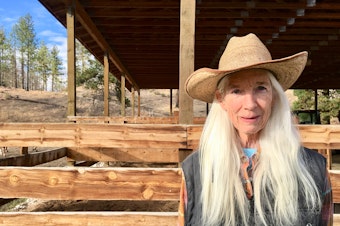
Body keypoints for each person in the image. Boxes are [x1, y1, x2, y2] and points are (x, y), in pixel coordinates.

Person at [178, 33, 333, 226]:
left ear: (274, 96)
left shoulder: (313, 169)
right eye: (236, 91)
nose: (250, 104)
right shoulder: (196, 171)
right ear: (221, 99)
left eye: (261, 88)